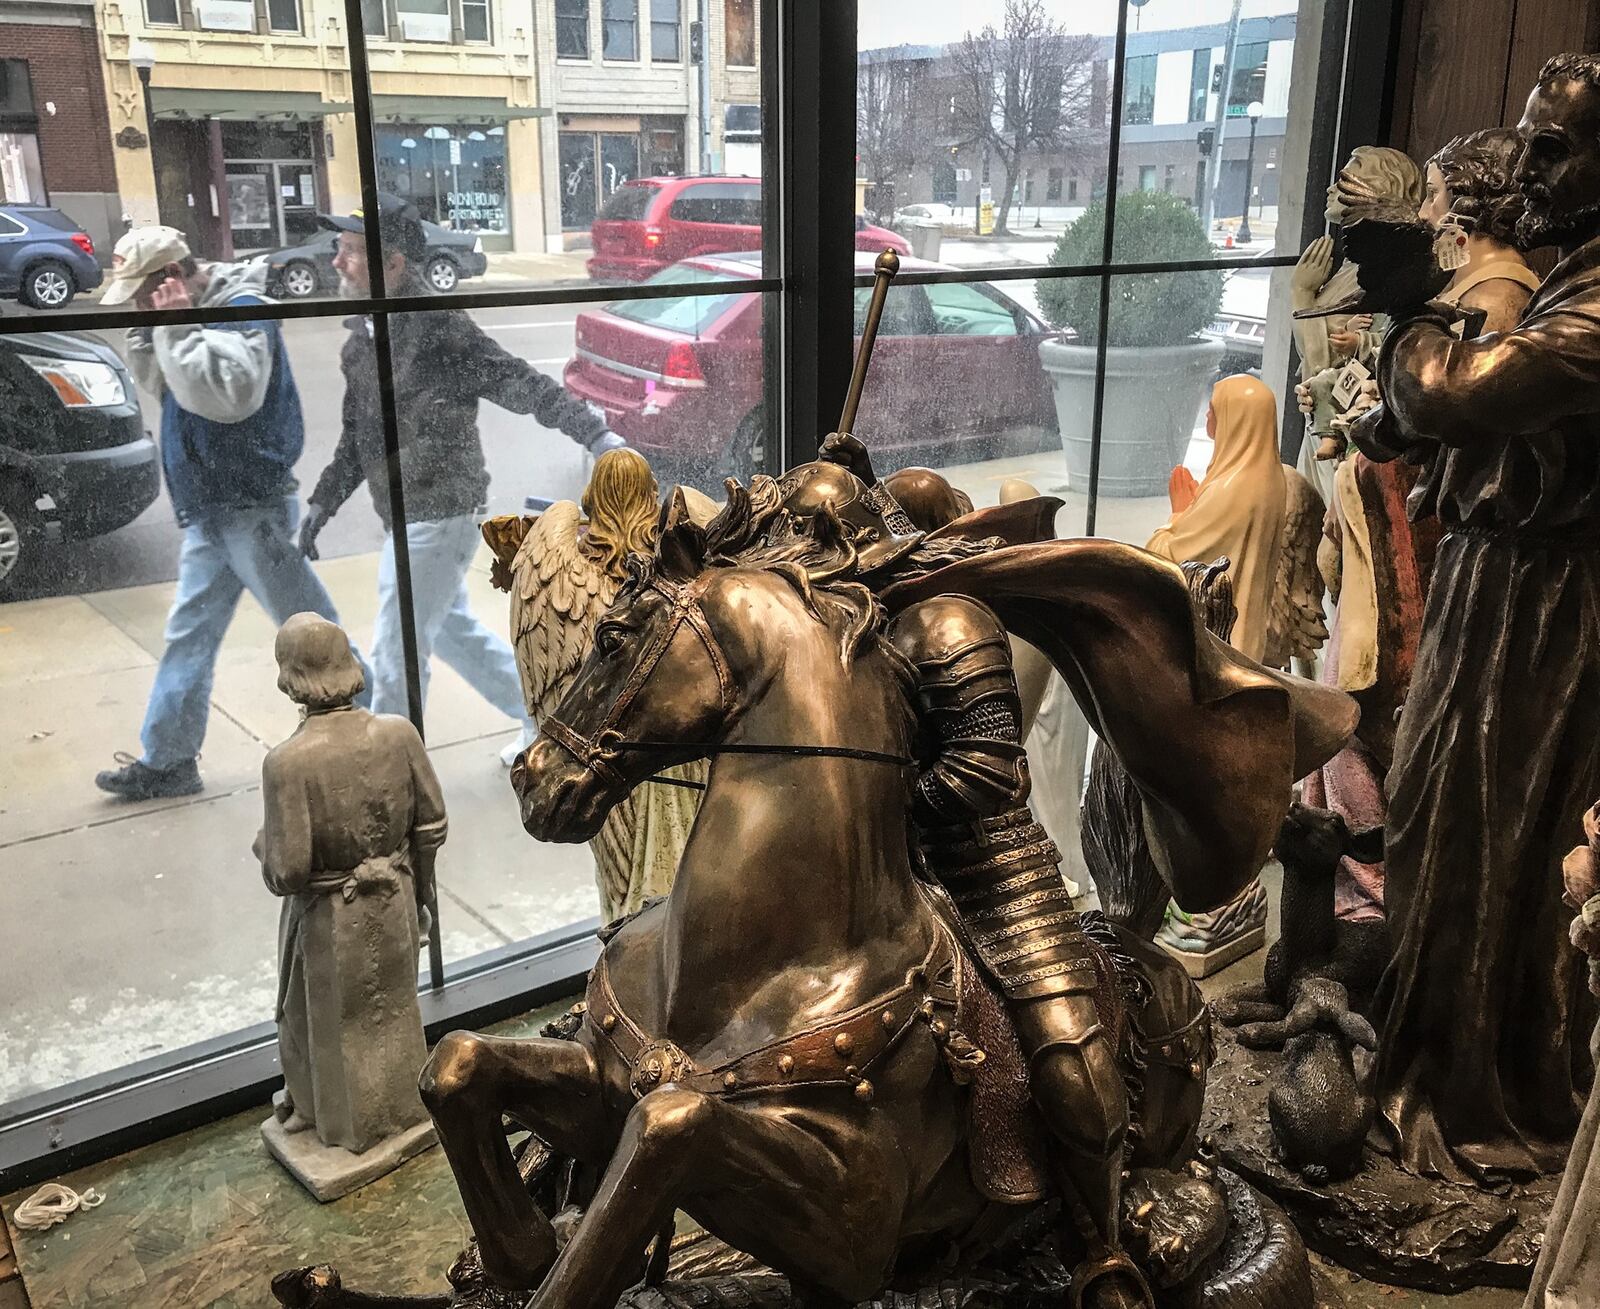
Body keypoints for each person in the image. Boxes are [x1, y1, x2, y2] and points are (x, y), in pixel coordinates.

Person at [1351, 53, 1600, 1183]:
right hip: (1488, 581)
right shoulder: (1565, 274)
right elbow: (1420, 425)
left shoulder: (1590, 301)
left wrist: (1411, 311)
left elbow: (1451, 395)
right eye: (1528, 141)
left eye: (1553, 148)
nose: (1531, 168)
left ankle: (1487, 1090)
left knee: (1493, 836)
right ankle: (1428, 1051)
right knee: (1435, 817)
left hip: (1543, 612)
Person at [299, 195, 624, 749]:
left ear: (394, 265)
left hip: (440, 508)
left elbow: (515, 380)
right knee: (454, 634)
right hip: (405, 511)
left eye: (350, 251)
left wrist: (592, 431)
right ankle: (549, 723)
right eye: (340, 249)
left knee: (396, 647)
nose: (336, 262)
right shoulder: (364, 339)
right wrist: (321, 503)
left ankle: (391, 769)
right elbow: (357, 439)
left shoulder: (437, 326)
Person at [93, 226, 367, 802]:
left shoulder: (242, 311)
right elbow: (164, 385)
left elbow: (226, 397)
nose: (141, 307)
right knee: (189, 634)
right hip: (213, 508)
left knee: (310, 629)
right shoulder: (191, 314)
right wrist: (158, 331)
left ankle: (377, 735)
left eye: (142, 295)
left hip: (250, 504)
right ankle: (167, 759)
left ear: (170, 279)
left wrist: (174, 325)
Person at [257, 612, 444, 1158]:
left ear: (290, 677)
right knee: (391, 1005)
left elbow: (288, 872)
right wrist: (421, 892)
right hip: (397, 900)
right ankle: (401, 1112)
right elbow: (431, 825)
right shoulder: (398, 734)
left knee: (321, 1016)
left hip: (329, 917)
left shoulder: (288, 763)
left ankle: (336, 1121)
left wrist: (261, 847)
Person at [1144, 375, 1286, 664]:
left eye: (1214, 408)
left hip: (1215, 646)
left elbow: (1169, 562)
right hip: (1248, 636)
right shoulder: (1269, 477)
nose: (1208, 414)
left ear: (1234, 418)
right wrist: (1199, 510)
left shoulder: (1232, 489)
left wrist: (1179, 514)